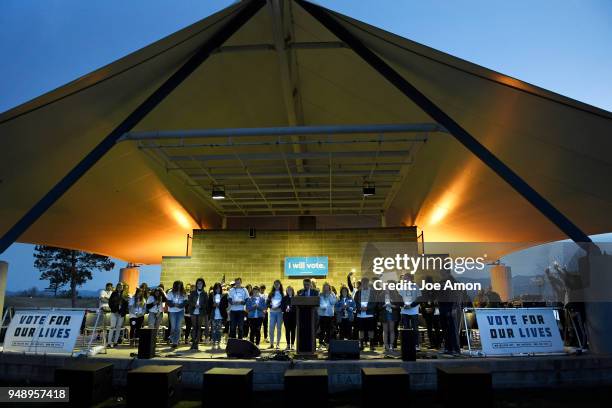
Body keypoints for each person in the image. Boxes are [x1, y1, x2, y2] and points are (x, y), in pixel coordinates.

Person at [398, 273, 422, 350]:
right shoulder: (401, 287)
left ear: (411, 279)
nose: (404, 280)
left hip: (414, 311)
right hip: (404, 311)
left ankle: (416, 345)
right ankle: (407, 345)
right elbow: (399, 298)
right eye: (404, 279)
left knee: (415, 328)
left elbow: (419, 298)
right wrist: (403, 305)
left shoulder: (416, 286)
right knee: (406, 329)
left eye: (406, 278)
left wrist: (411, 305)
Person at [354, 277, 376, 351]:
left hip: (370, 314)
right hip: (360, 314)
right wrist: (360, 308)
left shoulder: (372, 292)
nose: (364, 284)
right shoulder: (358, 292)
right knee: (361, 330)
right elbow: (355, 302)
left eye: (365, 283)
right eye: (363, 283)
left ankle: (371, 345)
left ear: (368, 283)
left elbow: (374, 303)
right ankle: (361, 345)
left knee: (371, 330)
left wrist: (368, 308)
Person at [379, 283, 401, 352]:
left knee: (392, 330)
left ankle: (391, 345)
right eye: (385, 287)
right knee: (385, 330)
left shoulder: (395, 295)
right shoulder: (380, 295)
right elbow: (378, 307)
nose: (387, 288)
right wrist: (384, 306)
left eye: (388, 287)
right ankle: (386, 345)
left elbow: (398, 306)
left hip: (392, 314)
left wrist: (391, 305)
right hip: (384, 314)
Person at [421, 276, 441, 349]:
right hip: (432, 311)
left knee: (432, 328)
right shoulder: (434, 289)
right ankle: (436, 344)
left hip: (431, 311)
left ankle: (434, 344)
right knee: (435, 328)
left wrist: (427, 308)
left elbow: (422, 301)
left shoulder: (426, 290)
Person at [188, 278, 208, 351]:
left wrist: (201, 306)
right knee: (194, 327)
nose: (199, 285)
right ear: (196, 284)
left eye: (201, 283)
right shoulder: (193, 292)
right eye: (198, 283)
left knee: (199, 327)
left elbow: (206, 303)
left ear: (203, 285)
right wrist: (194, 305)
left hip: (201, 311)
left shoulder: (205, 293)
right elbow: (189, 302)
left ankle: (196, 343)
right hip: (193, 311)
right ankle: (193, 342)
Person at [166, 280, 187, 349]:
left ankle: (175, 342)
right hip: (172, 311)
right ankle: (172, 337)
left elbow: (185, 302)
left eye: (180, 285)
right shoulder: (170, 293)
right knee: (173, 327)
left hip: (180, 311)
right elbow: (168, 302)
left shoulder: (184, 293)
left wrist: (180, 305)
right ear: (175, 285)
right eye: (178, 285)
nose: (179, 286)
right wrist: (174, 304)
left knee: (178, 327)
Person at [107, 282, 129, 347]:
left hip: (121, 313)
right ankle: (109, 342)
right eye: (118, 286)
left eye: (121, 286)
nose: (120, 288)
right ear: (117, 287)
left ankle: (116, 342)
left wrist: (123, 312)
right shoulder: (113, 293)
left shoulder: (125, 294)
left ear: (122, 287)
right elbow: (110, 303)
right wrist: (115, 310)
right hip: (114, 313)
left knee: (118, 327)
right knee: (112, 327)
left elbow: (126, 305)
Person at [208, 282, 228, 350]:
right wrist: (213, 305)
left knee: (219, 330)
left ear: (220, 289)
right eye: (216, 288)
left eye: (219, 288)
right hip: (213, 314)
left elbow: (226, 305)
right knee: (213, 329)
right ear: (214, 289)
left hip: (220, 315)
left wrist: (220, 305)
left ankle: (218, 342)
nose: (217, 289)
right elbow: (209, 305)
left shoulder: (223, 295)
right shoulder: (211, 295)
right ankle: (214, 342)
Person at [318, 282, 337, 350]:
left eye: (327, 287)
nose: (326, 288)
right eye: (324, 287)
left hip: (329, 315)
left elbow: (333, 302)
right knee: (322, 330)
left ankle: (328, 343)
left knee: (329, 330)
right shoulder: (320, 294)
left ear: (329, 287)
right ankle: (320, 343)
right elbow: (319, 303)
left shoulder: (332, 294)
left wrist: (329, 296)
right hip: (322, 314)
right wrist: (322, 306)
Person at [267, 280, 284, 350]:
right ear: (273, 285)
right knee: (271, 328)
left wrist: (278, 307)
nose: (276, 285)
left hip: (279, 313)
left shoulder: (282, 294)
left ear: (280, 285)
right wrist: (271, 307)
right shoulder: (271, 293)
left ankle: (277, 344)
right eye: (275, 284)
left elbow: (283, 304)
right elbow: (267, 303)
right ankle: (271, 344)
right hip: (272, 312)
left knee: (279, 328)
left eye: (278, 284)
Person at [281, 286, 297, 350]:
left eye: (290, 290)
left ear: (292, 291)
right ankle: (288, 344)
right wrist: (285, 309)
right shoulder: (284, 298)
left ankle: (292, 344)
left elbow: (296, 307)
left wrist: (291, 309)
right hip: (286, 316)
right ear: (286, 291)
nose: (289, 291)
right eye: (288, 290)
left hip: (293, 316)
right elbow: (282, 307)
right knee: (287, 330)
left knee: (293, 330)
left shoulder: (295, 298)